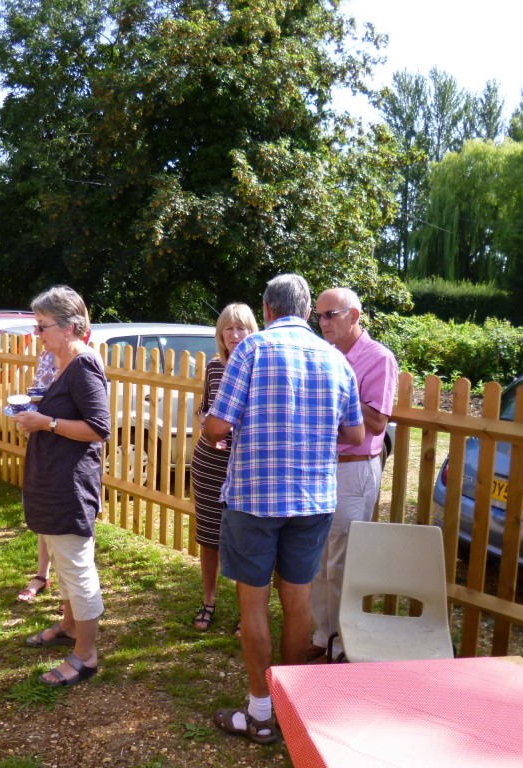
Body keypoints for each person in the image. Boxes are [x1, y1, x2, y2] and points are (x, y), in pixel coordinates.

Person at [202, 274, 364, 743]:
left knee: (252, 602)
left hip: (255, 497)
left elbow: (216, 426)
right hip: (313, 499)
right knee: (297, 602)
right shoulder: (336, 359)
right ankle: (291, 708)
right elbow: (355, 435)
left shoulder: (251, 351)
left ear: (267, 309)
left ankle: (259, 712)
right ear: (306, 309)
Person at [15, 286, 110, 688]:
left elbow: (98, 429)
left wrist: (46, 423)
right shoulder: (58, 361)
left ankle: (86, 654)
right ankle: (70, 626)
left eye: (42, 327)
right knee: (60, 554)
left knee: (77, 567)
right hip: (52, 478)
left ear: (70, 326)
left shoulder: (84, 364)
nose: (38, 334)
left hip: (70, 485)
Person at [309, 287, 399, 661]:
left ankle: (344, 646)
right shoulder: (324, 354)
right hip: (320, 467)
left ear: (355, 316)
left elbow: (378, 422)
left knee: (342, 562)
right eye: (319, 315)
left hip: (352, 469)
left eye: (332, 314)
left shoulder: (378, 358)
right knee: (316, 559)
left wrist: (338, 392)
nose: (323, 322)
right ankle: (322, 636)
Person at [190, 303, 259, 632]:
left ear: (251, 331)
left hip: (244, 467)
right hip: (209, 463)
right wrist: (209, 427)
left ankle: (248, 614)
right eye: (227, 329)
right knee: (209, 538)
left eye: (240, 328)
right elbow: (203, 411)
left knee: (246, 541)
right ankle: (209, 600)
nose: (234, 335)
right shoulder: (216, 367)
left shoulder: (261, 367)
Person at [17, 349, 59, 604]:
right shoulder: (45, 356)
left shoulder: (83, 358)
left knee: (71, 516)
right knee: (44, 505)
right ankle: (42, 575)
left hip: (65, 439)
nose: (37, 331)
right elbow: (36, 392)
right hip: (42, 435)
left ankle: (75, 586)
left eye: (43, 325)